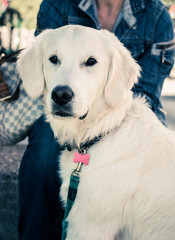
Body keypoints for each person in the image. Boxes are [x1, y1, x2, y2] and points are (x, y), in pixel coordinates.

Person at [18, 0, 174, 239]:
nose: (64, 87)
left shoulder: (157, 17)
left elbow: (144, 95)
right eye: (54, 59)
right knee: (44, 144)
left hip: (120, 121)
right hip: (67, 127)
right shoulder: (56, 5)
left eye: (89, 62)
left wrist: (92, 139)